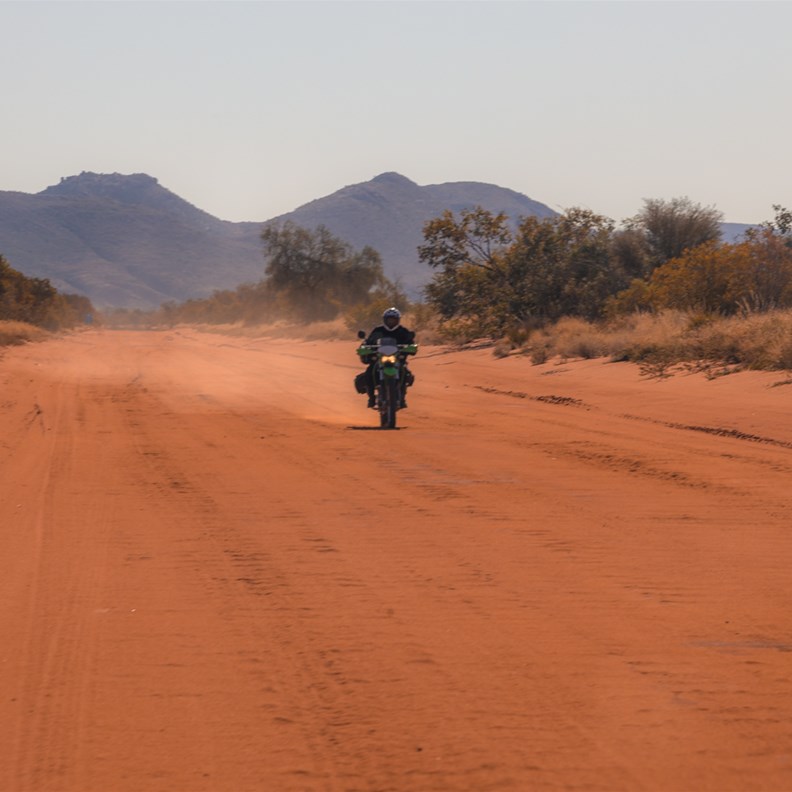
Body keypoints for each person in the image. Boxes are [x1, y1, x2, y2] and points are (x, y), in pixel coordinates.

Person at [360, 307, 415, 408]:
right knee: (369, 373)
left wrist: (411, 347)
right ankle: (371, 398)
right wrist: (365, 347)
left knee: (405, 373)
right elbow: (369, 341)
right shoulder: (378, 330)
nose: (391, 322)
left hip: (397, 360)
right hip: (379, 359)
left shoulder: (403, 331)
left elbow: (411, 343)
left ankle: (402, 398)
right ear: (384, 320)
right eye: (389, 319)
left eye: (394, 320)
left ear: (398, 320)